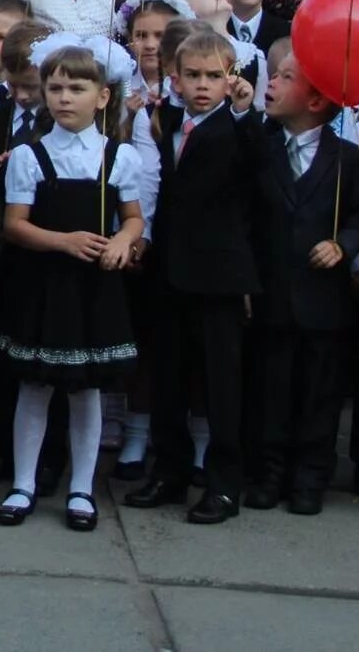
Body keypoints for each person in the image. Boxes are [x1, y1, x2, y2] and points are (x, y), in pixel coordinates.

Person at [0, 38, 147, 532]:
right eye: (55, 87)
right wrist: (62, 242)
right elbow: (15, 224)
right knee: (34, 388)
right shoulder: (29, 156)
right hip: (45, 283)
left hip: (93, 288)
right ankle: (23, 483)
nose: (64, 97)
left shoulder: (120, 156)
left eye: (77, 88)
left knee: (86, 393)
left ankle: (82, 487)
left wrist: (124, 240)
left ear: (102, 96)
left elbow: (134, 217)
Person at [125, 29, 262, 525]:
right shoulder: (164, 120)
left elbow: (254, 173)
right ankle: (170, 470)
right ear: (175, 80)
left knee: (221, 383)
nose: (203, 86)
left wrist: (248, 114)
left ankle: (224, 484)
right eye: (193, 77)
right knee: (168, 375)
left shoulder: (240, 127)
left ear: (231, 80)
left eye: (214, 76)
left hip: (219, 273)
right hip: (170, 269)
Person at [247, 44, 359, 515]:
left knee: (320, 393)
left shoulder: (350, 159)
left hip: (323, 301)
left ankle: (310, 477)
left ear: (317, 101)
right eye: (273, 76)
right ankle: (269, 473)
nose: (271, 83)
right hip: (273, 292)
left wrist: (344, 244)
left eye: (285, 78)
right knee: (270, 390)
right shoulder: (261, 147)